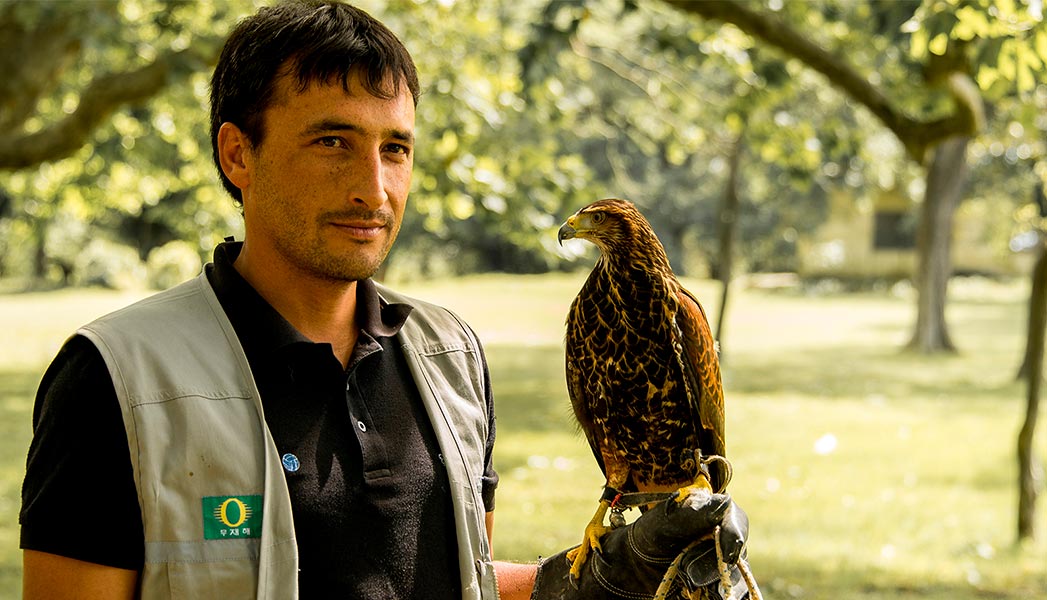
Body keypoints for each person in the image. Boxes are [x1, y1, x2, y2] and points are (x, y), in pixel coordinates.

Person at [19, 2, 750, 599]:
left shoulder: (449, 356)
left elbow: (455, 581)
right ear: (237, 154)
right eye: (333, 142)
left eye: (394, 148)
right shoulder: (119, 376)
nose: (374, 188)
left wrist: (587, 582)